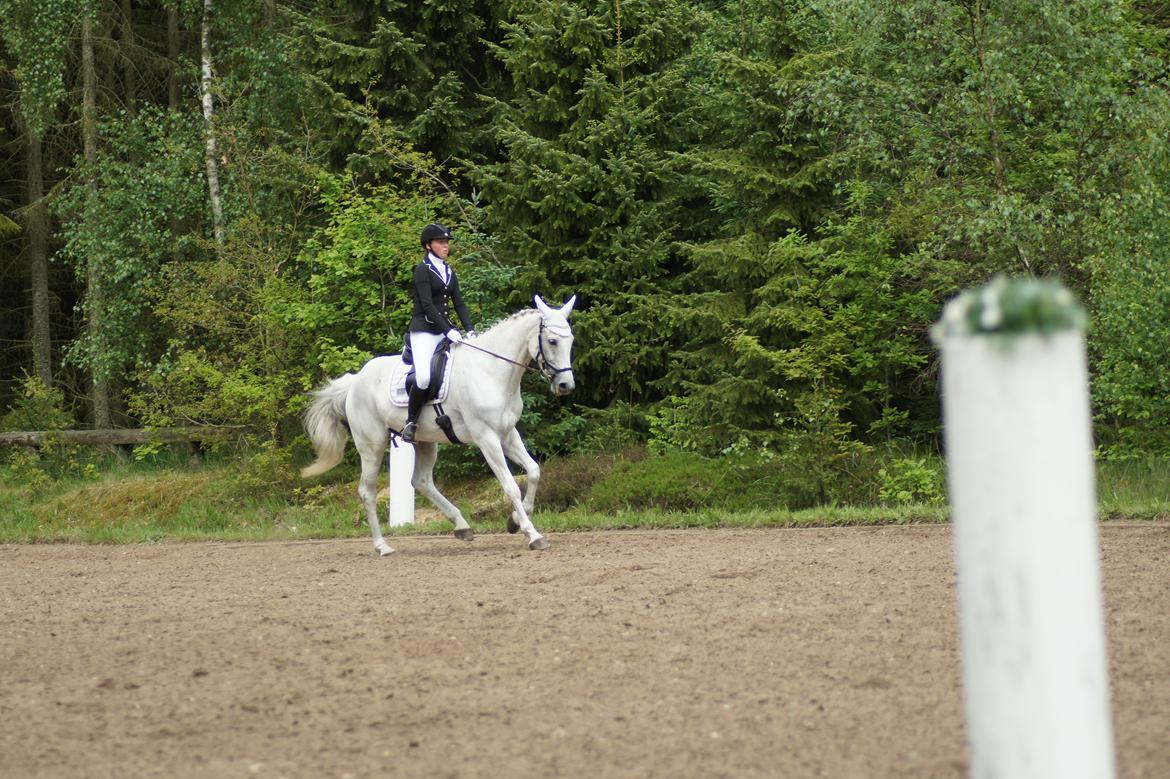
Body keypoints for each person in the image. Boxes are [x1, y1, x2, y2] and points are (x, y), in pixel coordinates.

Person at [401, 222, 474, 442]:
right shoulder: (422, 269)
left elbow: (459, 303)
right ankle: (411, 422)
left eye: (446, 242)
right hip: (424, 330)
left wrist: (469, 329)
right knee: (423, 378)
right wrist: (447, 330)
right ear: (428, 245)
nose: (445, 246)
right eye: (441, 242)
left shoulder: (449, 270)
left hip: (445, 329)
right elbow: (426, 304)